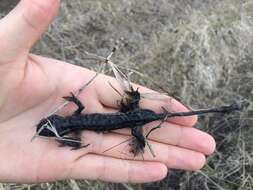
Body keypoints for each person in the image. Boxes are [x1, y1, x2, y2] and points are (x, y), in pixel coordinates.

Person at [0, 0, 215, 183]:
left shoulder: (75, 127)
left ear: (60, 126)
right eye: (50, 125)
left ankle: (139, 134)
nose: (50, 122)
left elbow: (78, 136)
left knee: (135, 122)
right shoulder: (75, 121)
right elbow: (80, 115)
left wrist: (74, 113)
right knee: (133, 120)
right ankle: (138, 133)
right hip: (127, 119)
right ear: (59, 125)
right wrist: (75, 100)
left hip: (129, 120)